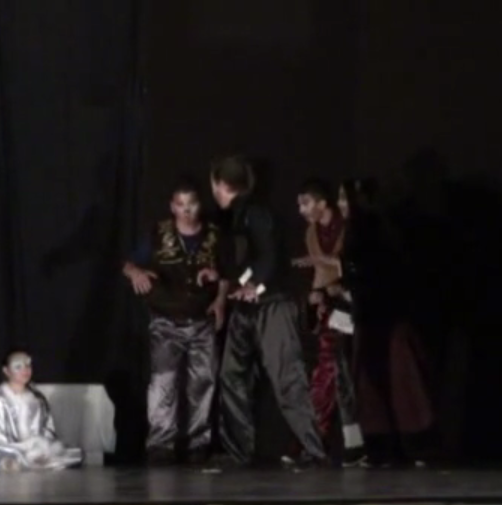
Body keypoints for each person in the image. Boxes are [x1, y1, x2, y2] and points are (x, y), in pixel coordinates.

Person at [210, 155, 325, 469]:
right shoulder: (237, 216)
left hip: (273, 304)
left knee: (286, 376)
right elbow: (250, 262)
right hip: (248, 305)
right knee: (232, 373)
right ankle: (239, 451)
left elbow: (270, 258)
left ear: (220, 185)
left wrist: (256, 286)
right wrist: (240, 283)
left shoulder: (256, 213)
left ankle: (315, 448)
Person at [123, 179, 228, 466]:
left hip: (202, 319)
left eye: (191, 204)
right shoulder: (158, 234)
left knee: (202, 382)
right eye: (180, 205)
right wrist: (135, 273)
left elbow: (227, 272)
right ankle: (161, 444)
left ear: (199, 205)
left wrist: (220, 299)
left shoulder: (214, 235)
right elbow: (128, 263)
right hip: (166, 321)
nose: (186, 210)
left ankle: (198, 443)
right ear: (172, 207)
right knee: (163, 382)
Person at [338, 179, 435, 467]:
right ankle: (390, 447)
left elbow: (381, 272)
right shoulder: (367, 228)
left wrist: (353, 289)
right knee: (378, 384)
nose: (341, 204)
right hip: (374, 315)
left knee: (388, 382)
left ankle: (399, 447)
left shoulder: (373, 229)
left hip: (381, 317)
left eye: (345, 198)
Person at [294, 178, 365, 466]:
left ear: (323, 204)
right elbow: (320, 274)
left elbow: (346, 266)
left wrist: (326, 269)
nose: (301, 210)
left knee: (344, 373)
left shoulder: (348, 229)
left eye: (306, 203)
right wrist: (317, 296)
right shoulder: (312, 232)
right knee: (328, 370)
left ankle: (353, 443)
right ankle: (317, 439)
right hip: (332, 310)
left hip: (353, 306)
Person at [0, 351, 83, 471]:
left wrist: (42, 444)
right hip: (10, 448)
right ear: (6, 371)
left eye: (28, 365)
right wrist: (19, 447)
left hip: (35, 449)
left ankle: (33, 460)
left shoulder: (38, 399)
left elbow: (48, 430)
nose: (25, 370)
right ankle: (10, 463)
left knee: (72, 453)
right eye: (18, 367)